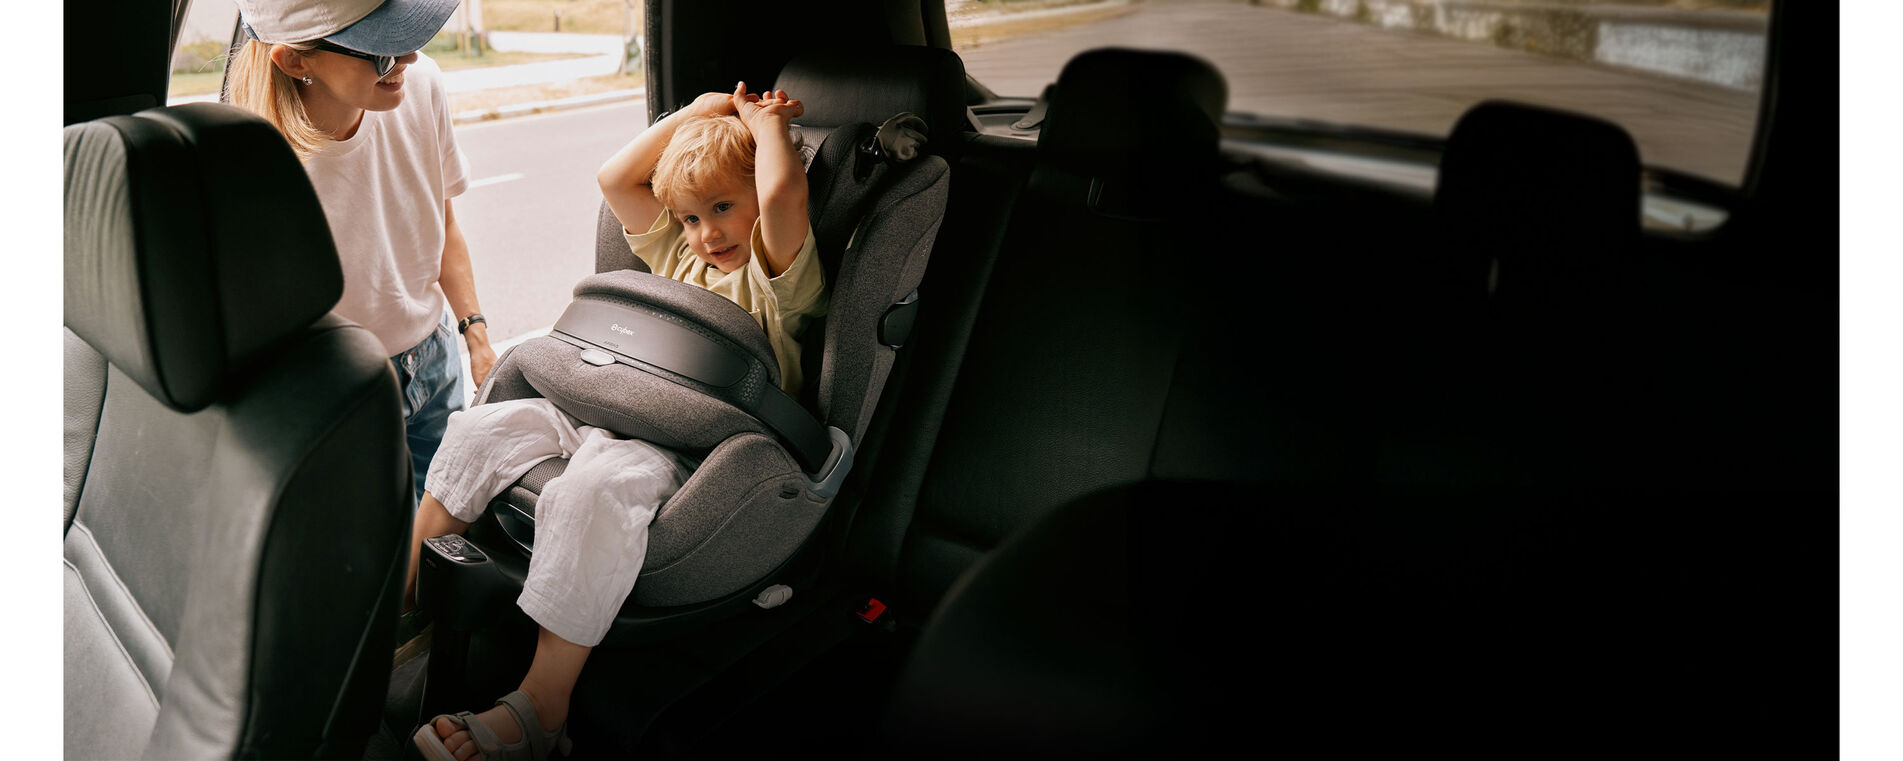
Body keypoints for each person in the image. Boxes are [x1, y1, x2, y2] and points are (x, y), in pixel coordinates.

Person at [408, 83, 825, 761]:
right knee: (479, 429)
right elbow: (616, 178)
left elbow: (781, 197)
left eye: (722, 208)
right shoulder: (679, 257)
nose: (706, 233)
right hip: (613, 410)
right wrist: (695, 114)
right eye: (688, 218)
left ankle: (542, 707)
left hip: (696, 444)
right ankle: (405, 610)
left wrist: (763, 122)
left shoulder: (780, 278)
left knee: (588, 490)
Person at [227, 0, 497, 504]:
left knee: (442, 541)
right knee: (376, 560)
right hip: (338, 387)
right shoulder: (254, 158)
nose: (409, 58)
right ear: (295, 60)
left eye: (411, 35)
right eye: (381, 49)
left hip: (435, 360)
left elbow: (442, 225)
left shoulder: (421, 85)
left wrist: (475, 335)